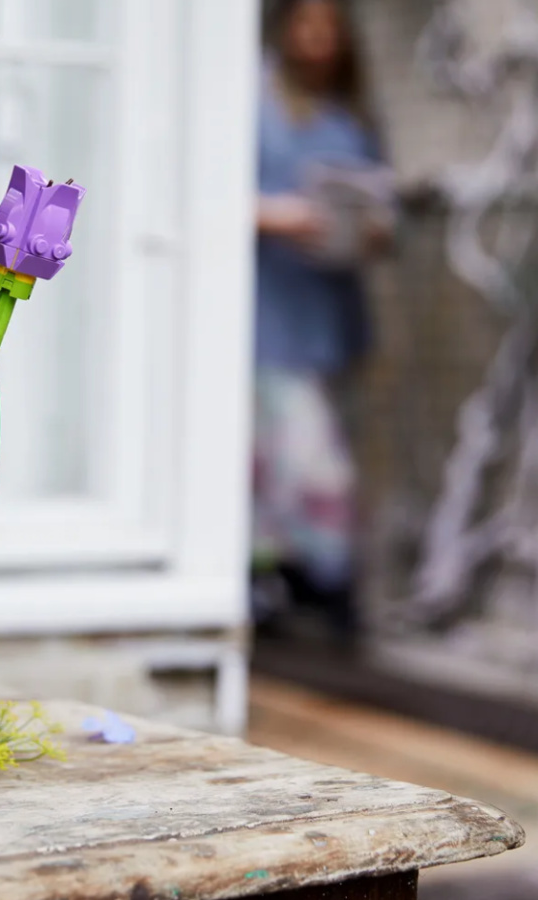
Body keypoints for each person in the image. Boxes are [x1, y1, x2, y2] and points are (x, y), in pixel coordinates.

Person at [251, 0, 393, 642]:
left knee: (293, 456)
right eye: (305, 26)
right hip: (267, 312)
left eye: (328, 28)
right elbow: (211, 190)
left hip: (328, 314)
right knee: (299, 458)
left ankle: (291, 577)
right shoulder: (256, 103)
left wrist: (367, 231)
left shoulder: (350, 119)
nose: (316, 41)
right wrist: (278, 215)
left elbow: (383, 214)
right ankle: (312, 577)